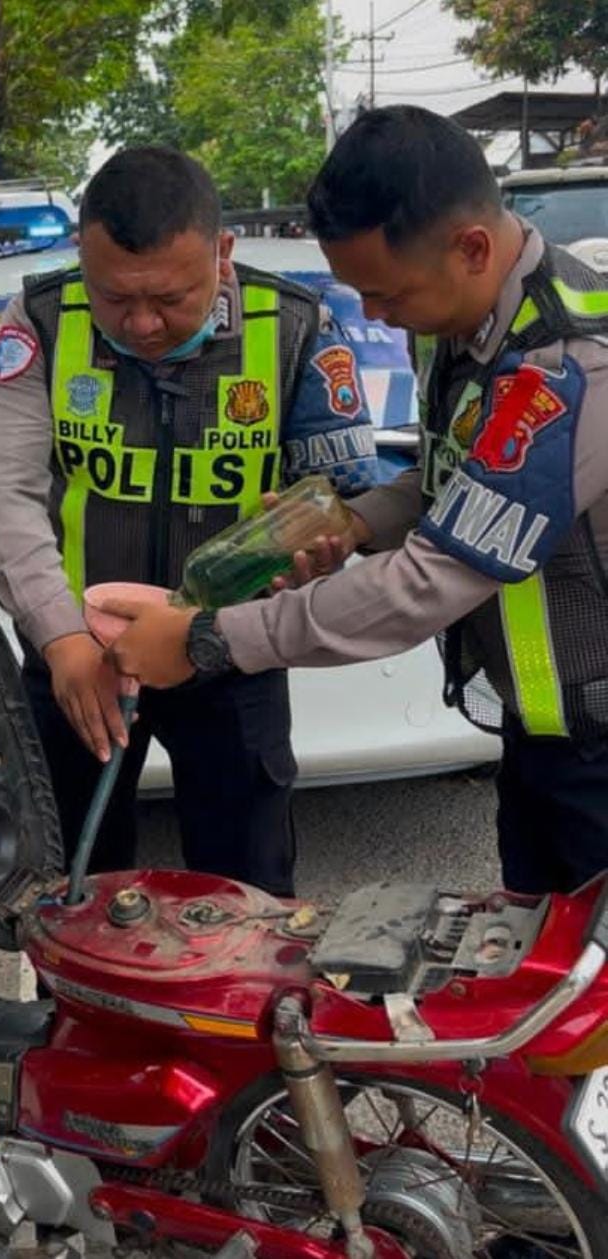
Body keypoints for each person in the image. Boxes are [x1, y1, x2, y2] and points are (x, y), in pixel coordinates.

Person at [103, 107, 608, 898]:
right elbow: (452, 478)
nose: (374, 316)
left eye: (386, 293)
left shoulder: (567, 365)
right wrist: (358, 519)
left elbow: (427, 584)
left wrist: (210, 640)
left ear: (471, 248)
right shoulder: (462, 321)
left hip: (600, 754)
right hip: (541, 741)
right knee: (537, 989)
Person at [0, 147, 378, 896]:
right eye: (115, 298)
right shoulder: (39, 322)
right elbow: (5, 492)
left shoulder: (294, 326)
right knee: (73, 891)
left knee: (248, 889)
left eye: (170, 297)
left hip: (228, 655)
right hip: (79, 657)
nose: (143, 323)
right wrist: (59, 637)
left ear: (223, 255)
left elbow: (344, 494)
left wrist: (314, 547)